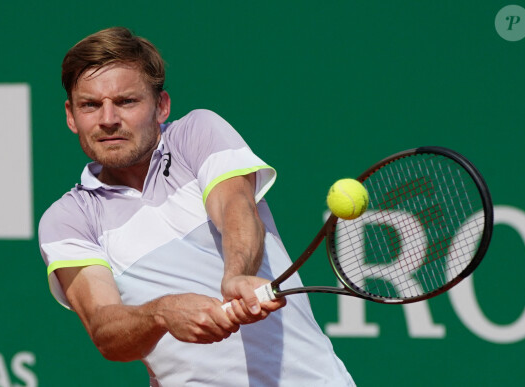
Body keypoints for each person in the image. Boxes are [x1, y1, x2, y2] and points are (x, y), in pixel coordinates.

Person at [38, 26, 355, 387]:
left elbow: (236, 206)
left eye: (126, 101)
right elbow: (105, 327)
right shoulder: (67, 219)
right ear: (70, 115)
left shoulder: (197, 133)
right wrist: (161, 313)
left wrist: (237, 274)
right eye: (90, 105)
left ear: (161, 106)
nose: (108, 119)